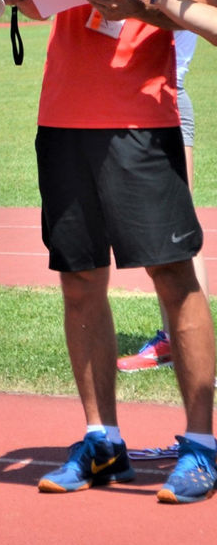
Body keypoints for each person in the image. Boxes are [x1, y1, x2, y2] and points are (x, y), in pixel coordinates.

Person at [0, 0, 217, 504]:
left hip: (141, 115)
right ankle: (102, 440)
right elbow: (44, 5)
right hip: (64, 112)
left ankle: (201, 444)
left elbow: (197, 6)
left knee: (173, 276)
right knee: (79, 281)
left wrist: (137, 6)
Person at [117, 31, 210, 374]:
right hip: (135, 102)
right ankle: (175, 341)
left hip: (163, 98)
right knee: (163, 233)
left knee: (180, 232)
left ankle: (197, 350)